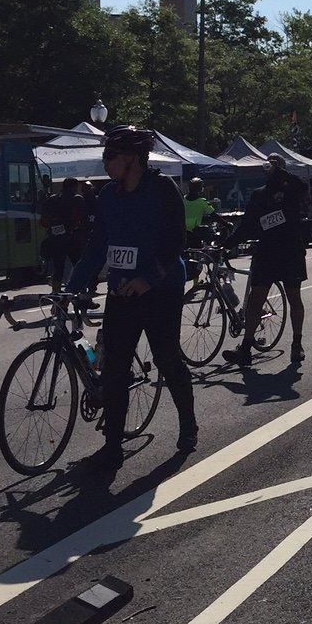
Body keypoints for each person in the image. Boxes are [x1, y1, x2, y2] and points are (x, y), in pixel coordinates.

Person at [64, 127, 197, 468]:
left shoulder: (163, 189)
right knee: (115, 368)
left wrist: (147, 279)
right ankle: (113, 445)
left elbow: (175, 242)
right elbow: (98, 246)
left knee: (167, 358)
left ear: (133, 158)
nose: (105, 163)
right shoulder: (109, 195)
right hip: (121, 292)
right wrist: (73, 284)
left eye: (111, 156)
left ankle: (188, 425)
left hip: (161, 288)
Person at [223, 154, 309, 366]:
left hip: (290, 250)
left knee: (294, 297)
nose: (269, 167)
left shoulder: (292, 190)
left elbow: (302, 187)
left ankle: (297, 344)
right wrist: (227, 244)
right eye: (268, 163)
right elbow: (248, 224)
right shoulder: (260, 194)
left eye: (274, 164)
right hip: (267, 251)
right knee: (256, 297)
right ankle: (246, 347)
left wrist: (281, 171)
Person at [39, 178, 87, 294]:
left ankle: (56, 294)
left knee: (58, 268)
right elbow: (84, 220)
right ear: (75, 187)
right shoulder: (77, 199)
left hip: (56, 240)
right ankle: (82, 294)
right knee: (79, 266)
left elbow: (43, 221)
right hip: (73, 239)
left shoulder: (52, 200)